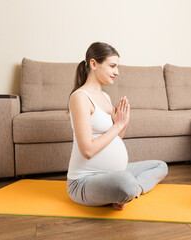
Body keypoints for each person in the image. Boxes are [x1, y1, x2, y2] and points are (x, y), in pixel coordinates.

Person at [67, 42, 168, 211]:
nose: (117, 72)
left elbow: (115, 141)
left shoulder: (105, 96)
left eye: (117, 67)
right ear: (93, 64)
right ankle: (124, 190)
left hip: (113, 173)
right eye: (112, 66)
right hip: (84, 182)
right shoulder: (80, 98)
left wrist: (123, 124)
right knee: (125, 181)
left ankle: (128, 192)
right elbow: (87, 150)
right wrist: (118, 125)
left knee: (160, 166)